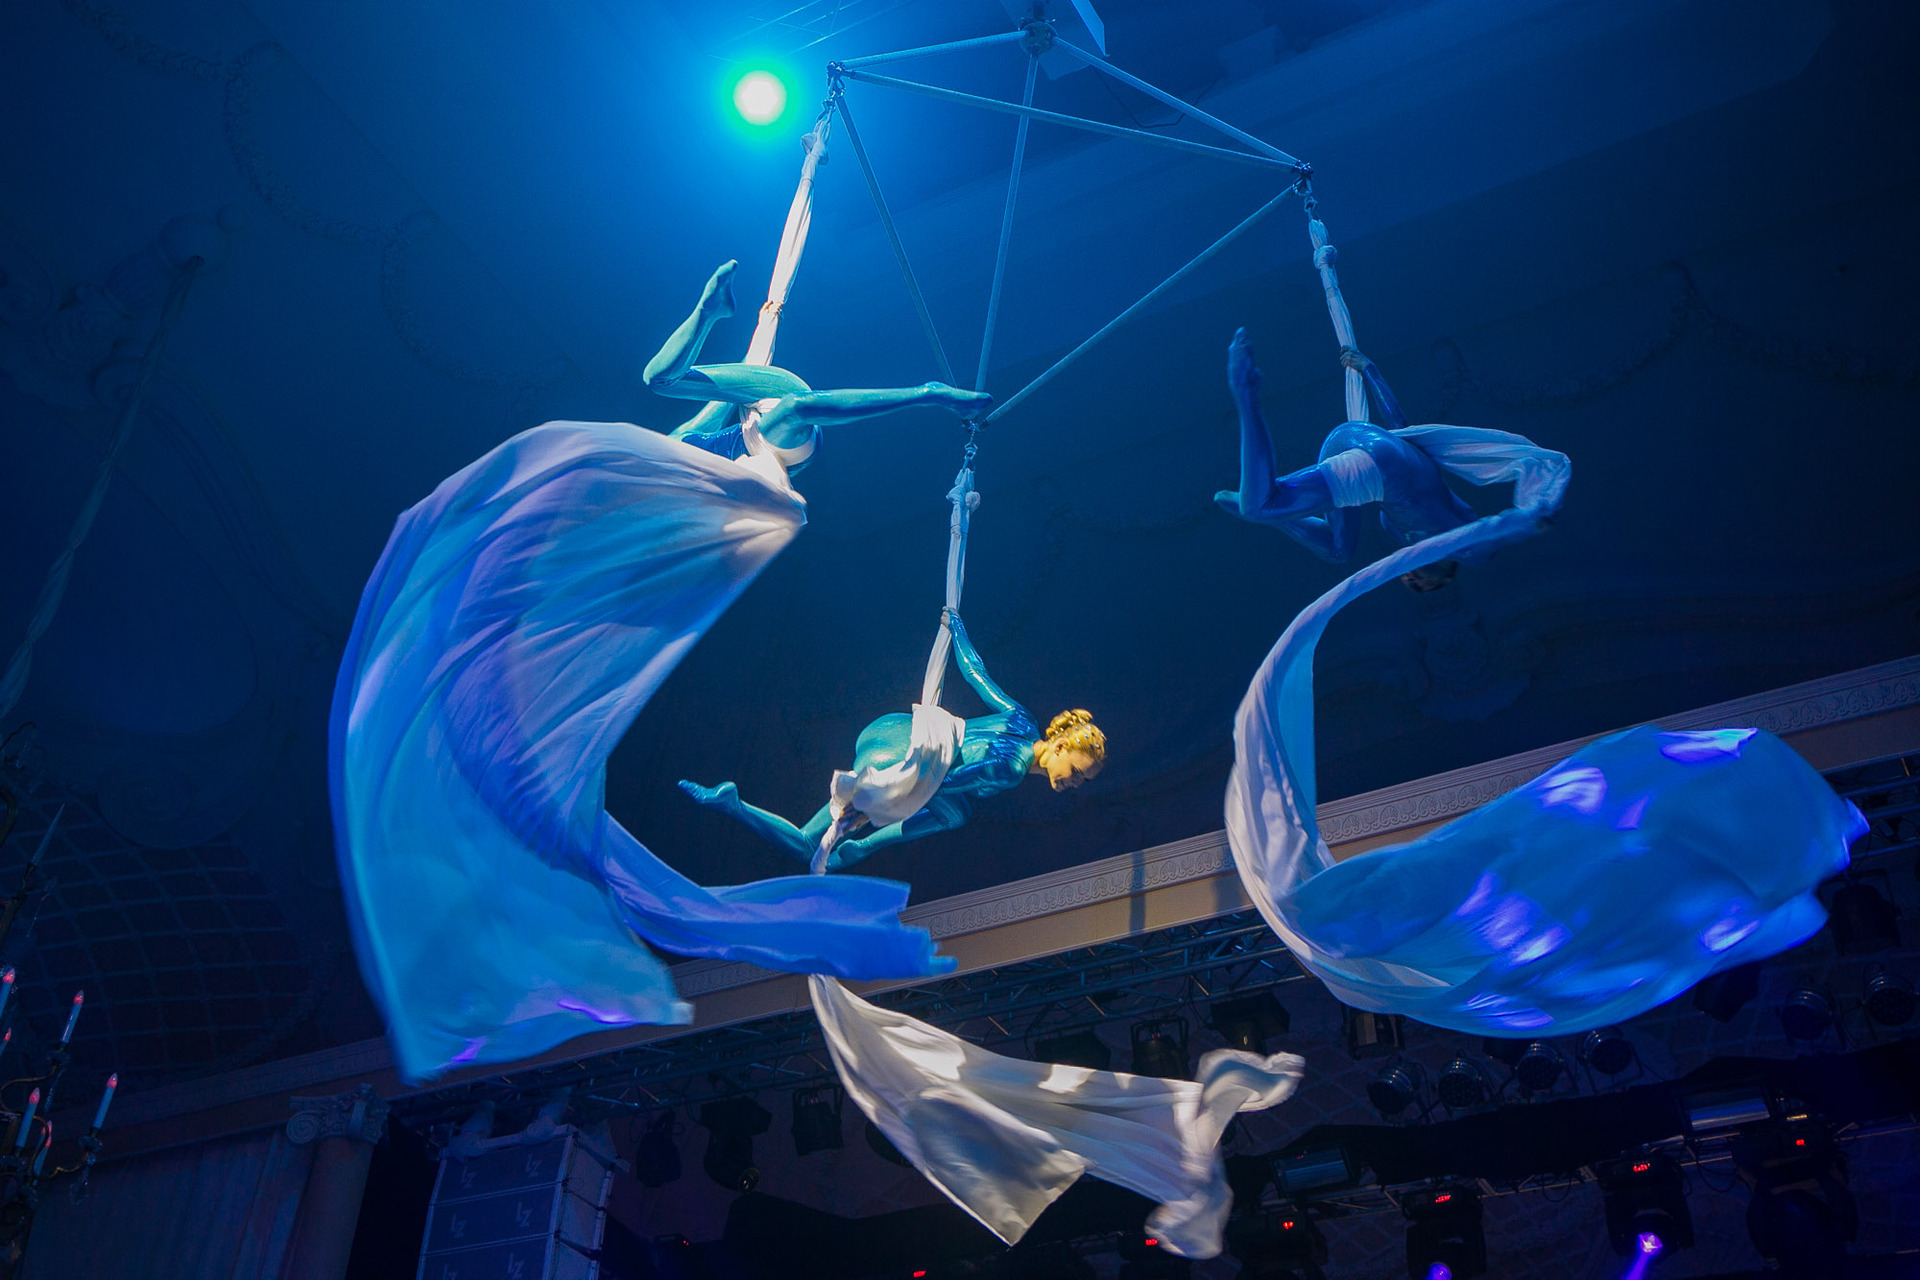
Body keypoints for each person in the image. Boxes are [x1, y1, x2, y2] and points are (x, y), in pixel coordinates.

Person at [329, 262, 986, 1081]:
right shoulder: (749, 413)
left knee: (537, 621)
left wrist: (920, 390)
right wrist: (916, 391)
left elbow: (697, 383)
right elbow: (744, 391)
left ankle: (514, 744)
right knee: (548, 622)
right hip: (664, 516)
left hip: (667, 507)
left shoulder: (756, 405)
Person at [681, 611, 1106, 869]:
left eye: (1081, 781)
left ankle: (737, 805)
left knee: (952, 813)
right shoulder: (1009, 769)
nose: (1074, 783)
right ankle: (858, 843)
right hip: (899, 758)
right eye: (1077, 772)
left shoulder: (1022, 720)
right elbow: (939, 782)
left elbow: (978, 674)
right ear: (1061, 746)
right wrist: (876, 807)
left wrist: (956, 629)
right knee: (948, 815)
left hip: (890, 726)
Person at [1212, 328, 1564, 565]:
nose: (1412, 577)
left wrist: (1371, 371)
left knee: (1339, 550)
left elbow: (1402, 431)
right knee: (1259, 506)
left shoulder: (1400, 527)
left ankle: (1264, 507)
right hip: (1379, 463)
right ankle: (1244, 390)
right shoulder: (1463, 550)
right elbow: (1493, 533)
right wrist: (1529, 522)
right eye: (1422, 583)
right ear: (1441, 579)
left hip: (1368, 448)